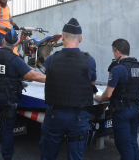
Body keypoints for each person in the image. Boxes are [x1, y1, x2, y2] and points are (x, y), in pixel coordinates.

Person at [0, 29, 46, 160]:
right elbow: (33, 76)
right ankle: (7, 157)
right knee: (7, 130)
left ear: (2, 41)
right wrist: (52, 78)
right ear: (16, 43)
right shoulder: (15, 60)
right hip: (8, 100)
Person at [40, 18, 97, 160]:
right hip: (78, 117)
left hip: (54, 115)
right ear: (81, 39)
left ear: (62, 36)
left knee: (48, 155)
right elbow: (91, 83)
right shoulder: (89, 61)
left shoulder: (50, 60)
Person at [95, 38, 139, 160]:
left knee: (123, 144)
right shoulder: (138, 66)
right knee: (132, 141)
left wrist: (99, 98)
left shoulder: (118, 68)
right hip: (135, 108)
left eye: (113, 52)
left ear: (117, 51)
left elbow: (107, 94)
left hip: (122, 110)